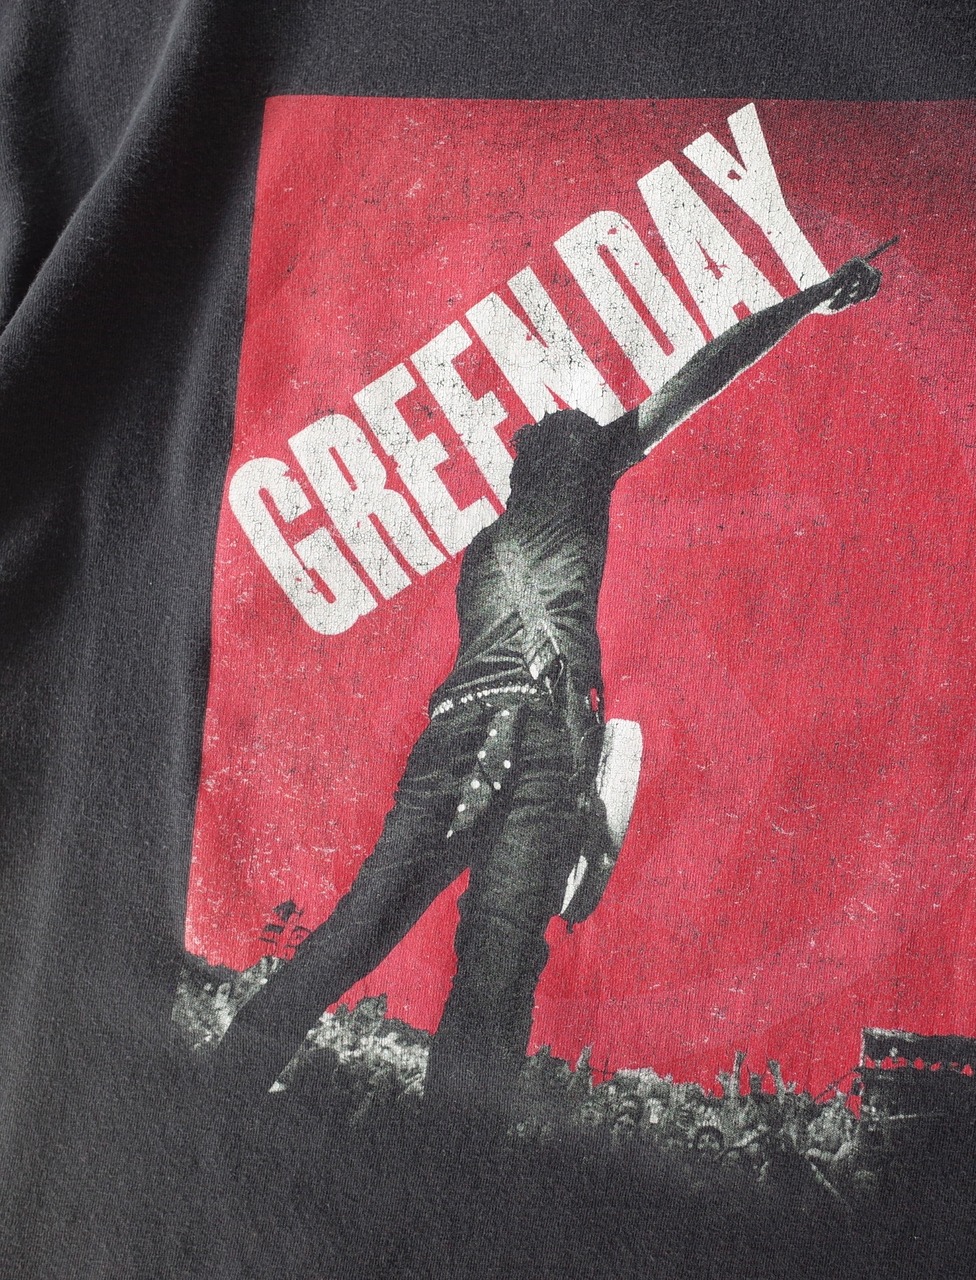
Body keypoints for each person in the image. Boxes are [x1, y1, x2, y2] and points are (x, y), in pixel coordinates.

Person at [204, 245, 888, 1116]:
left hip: (456, 734)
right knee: (498, 961)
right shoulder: (587, 475)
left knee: (361, 925)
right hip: (540, 745)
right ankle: (451, 1156)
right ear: (577, 453)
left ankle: (223, 1083)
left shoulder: (484, 551)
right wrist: (811, 299)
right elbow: (707, 369)